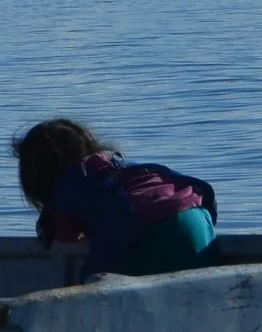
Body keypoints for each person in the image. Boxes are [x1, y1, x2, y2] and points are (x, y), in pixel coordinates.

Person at [12, 118, 219, 279]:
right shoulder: (119, 167)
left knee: (89, 292)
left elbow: (66, 235)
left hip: (147, 226)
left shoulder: (69, 182)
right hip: (197, 219)